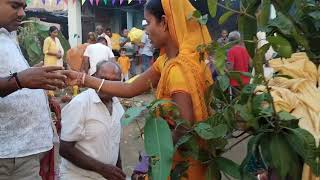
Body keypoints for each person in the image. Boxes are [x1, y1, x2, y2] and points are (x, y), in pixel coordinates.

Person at [64, 0, 213, 179]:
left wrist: (152, 158)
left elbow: (184, 127)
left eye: (148, 22)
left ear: (164, 22)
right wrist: (84, 79)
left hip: (181, 166)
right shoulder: (164, 62)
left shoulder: (178, 70)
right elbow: (130, 88)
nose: (145, 31)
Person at [0, 0, 67, 179]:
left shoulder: (7, 36)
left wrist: (37, 88)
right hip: (5, 156)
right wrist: (20, 80)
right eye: (15, 6)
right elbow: (15, 80)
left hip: (24, 150)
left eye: (24, 7)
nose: (22, 13)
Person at [59, 61, 126, 180]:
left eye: (113, 80)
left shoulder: (117, 104)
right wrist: (102, 169)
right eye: (103, 78)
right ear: (94, 77)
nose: (106, 84)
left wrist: (118, 170)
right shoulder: (80, 104)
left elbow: (114, 142)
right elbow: (65, 149)